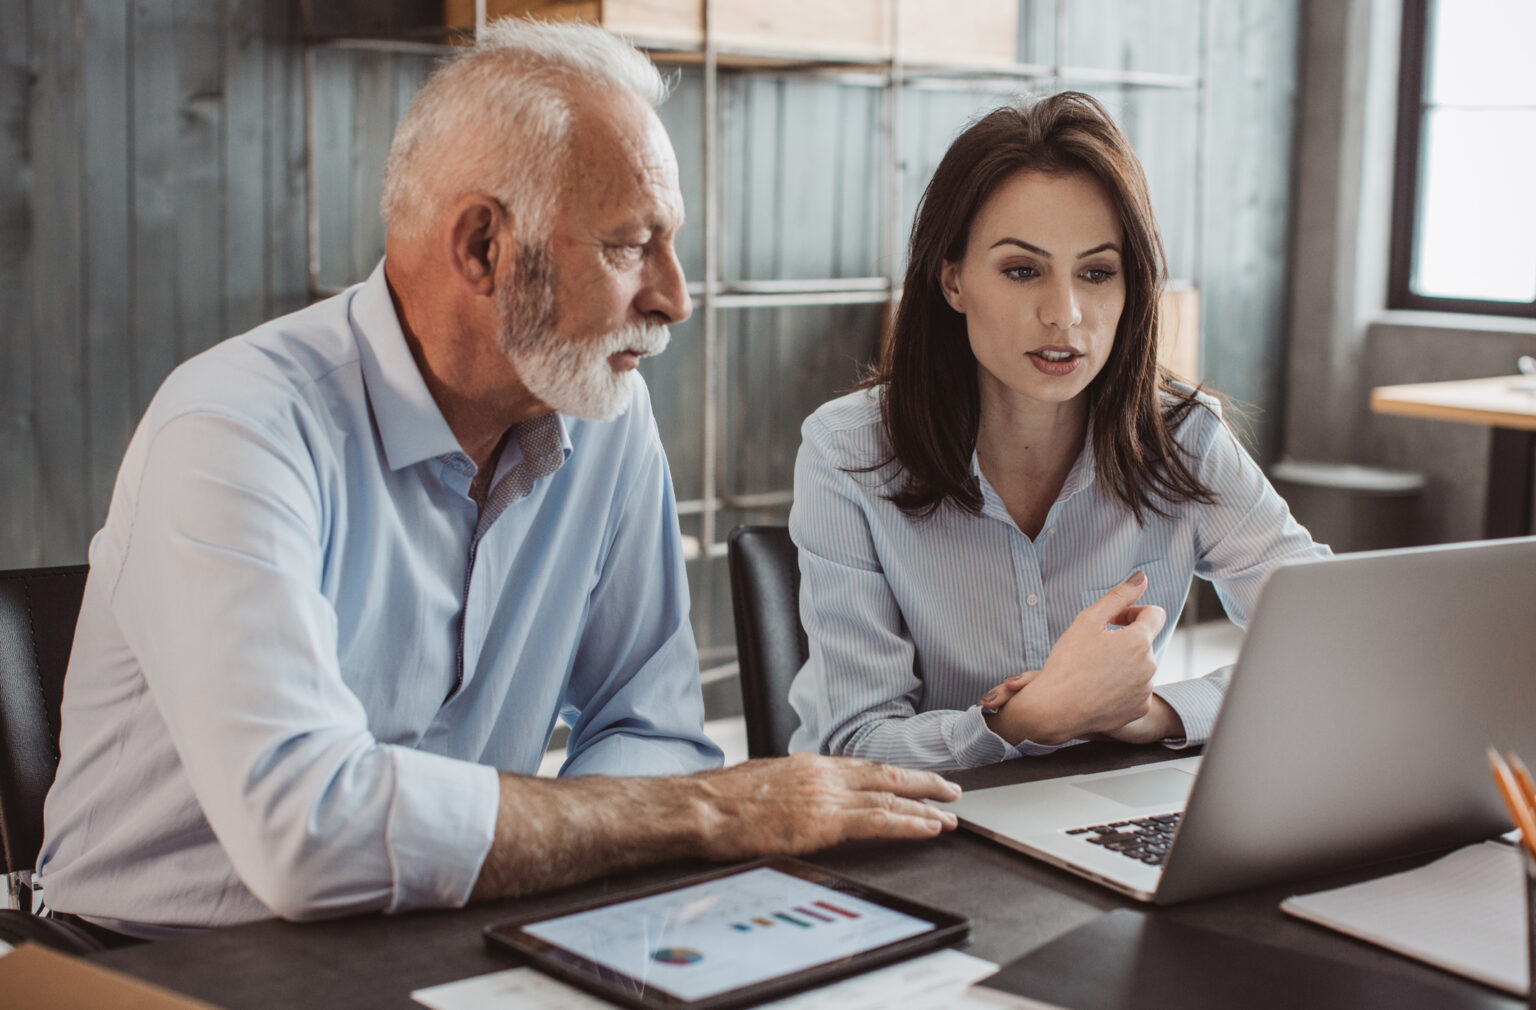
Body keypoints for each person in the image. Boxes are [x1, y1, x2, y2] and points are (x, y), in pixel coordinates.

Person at [34, 19, 960, 944]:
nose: (675, 297)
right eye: (630, 245)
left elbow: (652, 726)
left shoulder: (607, 411)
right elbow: (306, 831)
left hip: (449, 930)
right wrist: (708, 810)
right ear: (482, 246)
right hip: (149, 965)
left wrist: (619, 830)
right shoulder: (233, 427)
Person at [786, 92, 1329, 771]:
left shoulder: (1183, 437)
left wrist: (1154, 712)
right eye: (1022, 271)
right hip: (919, 836)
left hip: (1093, 812)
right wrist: (1027, 719)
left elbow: (1331, 643)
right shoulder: (849, 451)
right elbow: (854, 746)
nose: (1065, 315)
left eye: (1097, 273)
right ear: (951, 279)